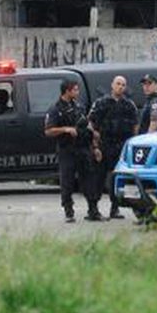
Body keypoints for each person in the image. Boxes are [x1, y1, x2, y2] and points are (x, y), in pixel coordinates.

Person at [44, 80, 100, 222]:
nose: (77, 92)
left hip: (83, 148)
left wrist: (94, 143)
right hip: (67, 150)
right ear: (67, 91)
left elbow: (87, 124)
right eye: (75, 90)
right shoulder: (55, 109)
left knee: (89, 179)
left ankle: (93, 210)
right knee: (67, 181)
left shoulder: (78, 106)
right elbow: (48, 131)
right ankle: (69, 211)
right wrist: (65, 129)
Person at [88, 76, 138, 219]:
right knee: (98, 178)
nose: (120, 87)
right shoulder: (101, 103)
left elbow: (135, 127)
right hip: (104, 145)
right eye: (118, 84)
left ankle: (114, 208)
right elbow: (91, 124)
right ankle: (93, 210)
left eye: (123, 84)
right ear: (112, 85)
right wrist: (95, 146)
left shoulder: (129, 105)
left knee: (116, 179)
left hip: (121, 146)